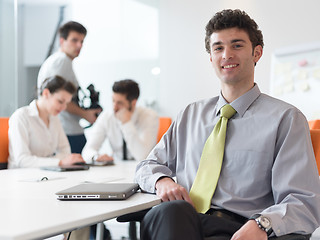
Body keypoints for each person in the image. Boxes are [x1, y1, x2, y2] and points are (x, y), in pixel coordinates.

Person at [134, 9, 320, 240]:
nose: (226, 55)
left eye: (237, 45)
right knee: (168, 212)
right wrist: (161, 180)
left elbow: (303, 201)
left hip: (239, 229)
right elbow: (146, 165)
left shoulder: (286, 119)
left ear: (257, 53)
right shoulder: (189, 115)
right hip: (183, 220)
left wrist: (262, 225)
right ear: (211, 58)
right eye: (218, 48)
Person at [37, 21, 101, 154]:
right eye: (74, 40)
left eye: (82, 41)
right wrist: (86, 115)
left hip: (66, 129)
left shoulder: (57, 61)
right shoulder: (62, 61)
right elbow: (61, 98)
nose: (79, 45)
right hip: (67, 130)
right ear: (62, 41)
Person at [8, 75, 85, 168]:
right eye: (60, 101)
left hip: (46, 173)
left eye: (67, 104)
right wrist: (59, 162)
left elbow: (65, 151)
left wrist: (56, 162)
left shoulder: (54, 118)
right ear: (46, 93)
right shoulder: (21, 117)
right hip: (22, 176)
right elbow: (23, 160)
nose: (64, 108)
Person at [82, 79, 159, 163]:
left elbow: (143, 156)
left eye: (120, 103)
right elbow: (88, 150)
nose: (114, 107)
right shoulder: (107, 116)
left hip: (141, 168)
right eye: (113, 101)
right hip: (116, 166)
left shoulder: (149, 117)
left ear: (133, 103)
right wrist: (96, 157)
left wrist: (126, 123)